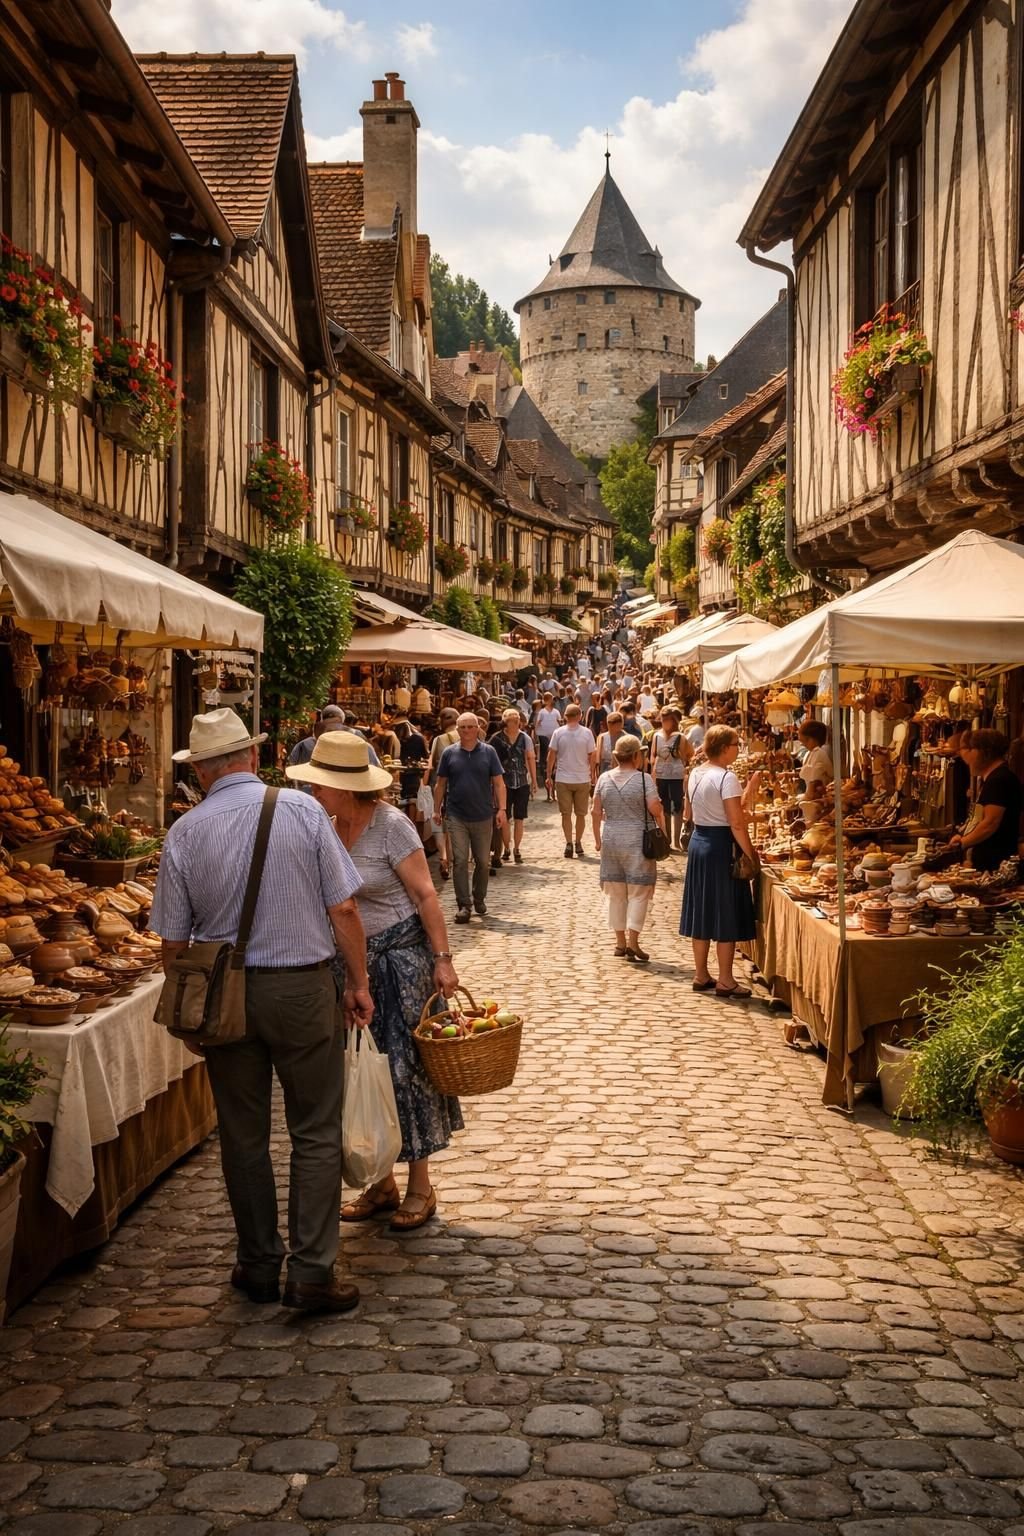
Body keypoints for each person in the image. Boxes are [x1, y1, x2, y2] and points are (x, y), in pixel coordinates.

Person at [152, 708, 371, 1315]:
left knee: (243, 1135)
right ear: (252, 756)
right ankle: (311, 1271)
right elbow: (345, 908)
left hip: (223, 996)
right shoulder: (302, 810)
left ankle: (257, 1263)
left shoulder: (185, 832)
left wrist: (190, 1010)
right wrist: (358, 982)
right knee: (316, 1130)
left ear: (200, 771)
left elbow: (173, 943)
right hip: (301, 990)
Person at [288, 733, 463, 1232]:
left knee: (406, 1073)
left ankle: (420, 1185)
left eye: (320, 784)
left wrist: (443, 960)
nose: (313, 791)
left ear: (346, 786)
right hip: (349, 968)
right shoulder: (324, 825)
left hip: (401, 964)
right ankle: (381, 1182)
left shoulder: (391, 826)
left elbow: (426, 895)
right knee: (361, 1071)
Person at [680, 724, 758, 999]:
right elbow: (736, 822)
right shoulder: (726, 777)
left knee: (702, 909)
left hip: (699, 842)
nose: (738, 749)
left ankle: (701, 973)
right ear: (725, 748)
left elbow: (689, 812)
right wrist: (750, 854)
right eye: (737, 744)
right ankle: (725, 979)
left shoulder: (696, 773)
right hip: (721, 846)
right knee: (726, 912)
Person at [592, 733, 667, 963]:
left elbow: (595, 811)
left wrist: (597, 839)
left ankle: (620, 943)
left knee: (616, 893)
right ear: (636, 756)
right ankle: (633, 941)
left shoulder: (604, 779)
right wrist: (660, 814)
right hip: (637, 841)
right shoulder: (644, 780)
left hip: (611, 839)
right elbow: (655, 808)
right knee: (638, 892)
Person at [434, 713, 506, 924]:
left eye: (470, 727)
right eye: (462, 727)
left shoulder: (488, 752)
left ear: (477, 729)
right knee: (459, 860)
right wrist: (436, 810)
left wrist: (502, 809)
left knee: (482, 862)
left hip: (483, 815)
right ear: (457, 729)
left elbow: (499, 783)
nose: (466, 730)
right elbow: (440, 783)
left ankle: (479, 897)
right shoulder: (449, 753)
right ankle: (464, 905)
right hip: (456, 815)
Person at [948, 728, 1023, 871]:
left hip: (996, 865)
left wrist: (963, 842)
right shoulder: (991, 779)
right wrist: (964, 835)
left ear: (983, 751)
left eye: (970, 749)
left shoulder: (999, 779)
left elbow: (990, 823)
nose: (965, 756)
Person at [547, 702, 597, 859]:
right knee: (581, 814)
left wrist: (548, 775)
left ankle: (569, 843)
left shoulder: (558, 732)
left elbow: (551, 755)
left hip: (563, 778)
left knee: (566, 814)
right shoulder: (587, 733)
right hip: (582, 778)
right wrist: (593, 773)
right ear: (580, 716)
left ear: (565, 717)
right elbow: (592, 755)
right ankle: (578, 842)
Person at [489, 707, 538, 864]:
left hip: (522, 782)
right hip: (503, 783)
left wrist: (534, 780)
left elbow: (530, 758)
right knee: (505, 817)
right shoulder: (497, 739)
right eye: (513, 721)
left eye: (517, 721)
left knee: (519, 818)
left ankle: (516, 848)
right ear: (506, 722)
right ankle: (506, 847)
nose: (516, 724)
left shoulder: (525, 738)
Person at [651, 705, 693, 851]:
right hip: (661, 775)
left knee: (678, 807)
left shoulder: (680, 737)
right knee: (664, 807)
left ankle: (676, 841)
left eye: (667, 720)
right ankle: (667, 839)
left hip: (676, 775)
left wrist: (680, 758)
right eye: (663, 720)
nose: (664, 722)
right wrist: (654, 772)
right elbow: (653, 755)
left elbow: (690, 754)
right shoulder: (657, 736)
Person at [424, 708, 459, 879]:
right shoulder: (466, 737)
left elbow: (430, 765)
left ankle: (443, 858)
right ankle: (453, 861)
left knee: (438, 824)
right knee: (452, 825)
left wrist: (425, 784)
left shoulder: (438, 739)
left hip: (439, 785)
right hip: (458, 787)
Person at [287, 704, 345, 770]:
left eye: (337, 725)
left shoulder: (347, 747)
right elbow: (292, 767)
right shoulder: (304, 745)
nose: (333, 729)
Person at [796, 719, 833, 798]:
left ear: (814, 739)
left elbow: (813, 775)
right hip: (810, 795)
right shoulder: (810, 753)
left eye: (806, 740)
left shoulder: (820, 753)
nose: (804, 744)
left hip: (820, 797)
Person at [535, 692, 562, 798]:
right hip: (544, 738)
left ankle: (553, 791)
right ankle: (548, 790)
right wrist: (536, 735)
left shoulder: (556, 712)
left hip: (554, 738)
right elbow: (537, 724)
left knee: (554, 762)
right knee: (546, 761)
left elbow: (560, 722)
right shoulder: (542, 712)